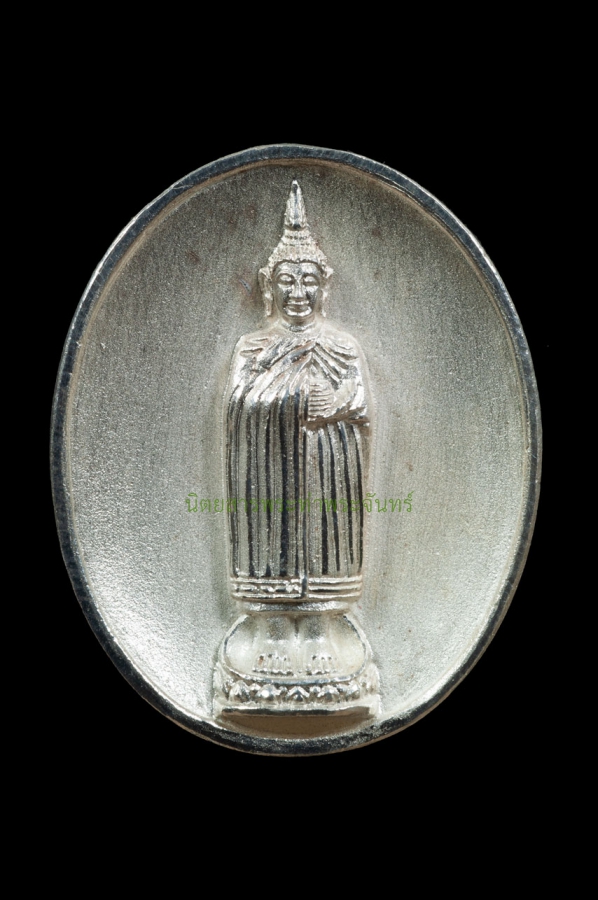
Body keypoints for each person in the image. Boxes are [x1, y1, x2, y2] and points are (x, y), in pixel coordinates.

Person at [225, 181, 372, 606]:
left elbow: (361, 404)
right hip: (268, 472)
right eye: (286, 281)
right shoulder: (252, 347)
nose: (297, 293)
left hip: (330, 470)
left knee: (329, 580)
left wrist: (336, 405)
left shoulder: (343, 346)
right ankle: (266, 609)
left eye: (308, 281)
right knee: (269, 594)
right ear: (268, 285)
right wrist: (297, 398)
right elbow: (238, 407)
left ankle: (328, 613)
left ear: (325, 287)